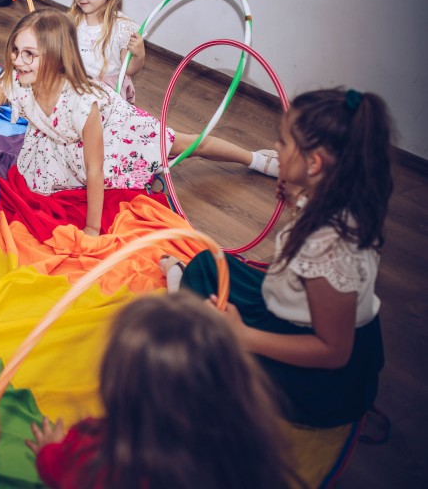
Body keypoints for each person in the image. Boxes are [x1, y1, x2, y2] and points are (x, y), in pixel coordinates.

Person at [162, 87, 391, 428]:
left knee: (208, 360)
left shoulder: (328, 247)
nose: (276, 147)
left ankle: (190, 313)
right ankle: (193, 305)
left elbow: (333, 351)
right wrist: (297, 199)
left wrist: (243, 336)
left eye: (283, 142)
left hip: (321, 383)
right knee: (210, 264)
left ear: (314, 164)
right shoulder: (339, 198)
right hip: (298, 315)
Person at [0, 10, 279, 237]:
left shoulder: (80, 102)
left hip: (115, 130)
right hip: (58, 145)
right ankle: (148, 173)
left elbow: (95, 168)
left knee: (186, 144)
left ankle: (255, 159)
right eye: (15, 50)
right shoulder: (15, 81)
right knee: (51, 183)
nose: (17, 60)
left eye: (30, 54)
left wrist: (92, 229)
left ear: (56, 58)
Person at [26, 293, 300, 489]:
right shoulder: (250, 456)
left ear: (119, 384)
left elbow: (55, 470)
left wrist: (49, 451)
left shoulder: (93, 453)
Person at [68, 0, 145, 103]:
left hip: (105, 94)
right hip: (75, 83)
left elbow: (129, 70)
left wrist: (138, 55)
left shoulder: (122, 27)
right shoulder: (74, 19)